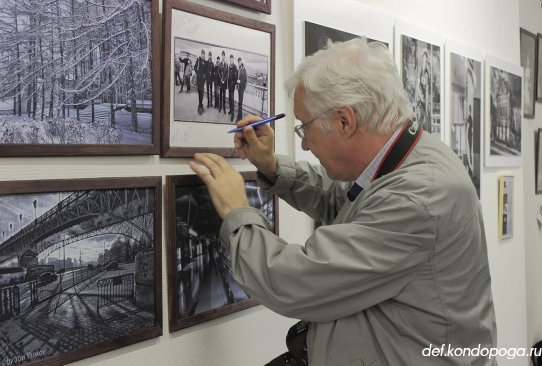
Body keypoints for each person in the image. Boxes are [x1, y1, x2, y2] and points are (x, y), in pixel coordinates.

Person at [189, 38, 497, 366]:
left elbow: (291, 282)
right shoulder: (411, 155)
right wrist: (273, 167)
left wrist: (238, 211)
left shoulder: (418, 197)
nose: (304, 144)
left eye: (304, 127)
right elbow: (349, 202)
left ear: (344, 121)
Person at [194, 49, 207, 115]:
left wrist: (205, 74)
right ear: (201, 54)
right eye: (202, 54)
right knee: (200, 92)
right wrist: (198, 73)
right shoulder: (198, 60)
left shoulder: (205, 61)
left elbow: (206, 70)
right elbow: (195, 67)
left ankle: (200, 105)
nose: (203, 55)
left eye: (204, 54)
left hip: (203, 80)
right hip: (199, 79)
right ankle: (200, 106)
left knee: (201, 93)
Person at [228, 54, 239, 122]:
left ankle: (232, 114)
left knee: (232, 100)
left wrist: (233, 84)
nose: (231, 60)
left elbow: (236, 78)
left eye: (232, 59)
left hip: (232, 86)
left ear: (233, 60)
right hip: (229, 85)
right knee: (229, 99)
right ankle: (230, 110)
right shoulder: (229, 66)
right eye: (230, 59)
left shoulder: (235, 67)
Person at [236, 56, 247, 121]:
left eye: (240, 61)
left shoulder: (243, 69)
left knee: (240, 102)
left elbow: (245, 79)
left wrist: (240, 81)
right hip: (239, 88)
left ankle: (240, 117)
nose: (239, 62)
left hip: (242, 88)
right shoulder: (239, 68)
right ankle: (239, 116)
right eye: (238, 61)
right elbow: (239, 78)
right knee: (239, 102)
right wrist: (237, 83)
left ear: (241, 61)